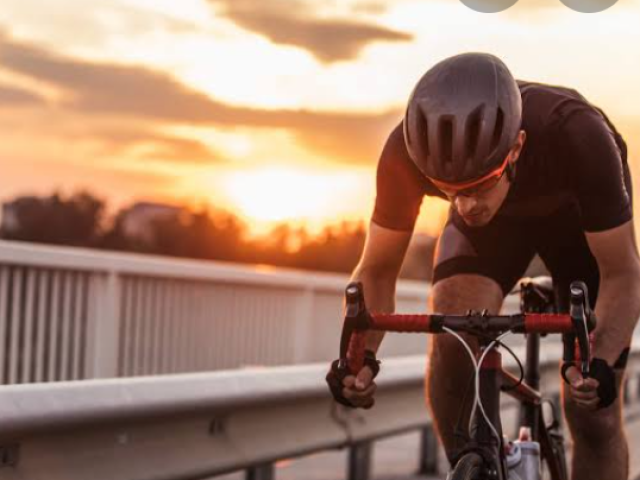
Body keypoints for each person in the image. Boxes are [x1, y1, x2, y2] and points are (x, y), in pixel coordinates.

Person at [326, 52, 640, 480]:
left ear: (517, 147)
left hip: (576, 224)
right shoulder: (407, 151)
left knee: (592, 415)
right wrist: (359, 357)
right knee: (454, 327)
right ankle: (474, 463)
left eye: (478, 185)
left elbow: (624, 272)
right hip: (498, 231)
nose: (466, 205)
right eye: (449, 191)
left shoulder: (580, 136)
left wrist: (600, 362)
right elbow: (377, 269)